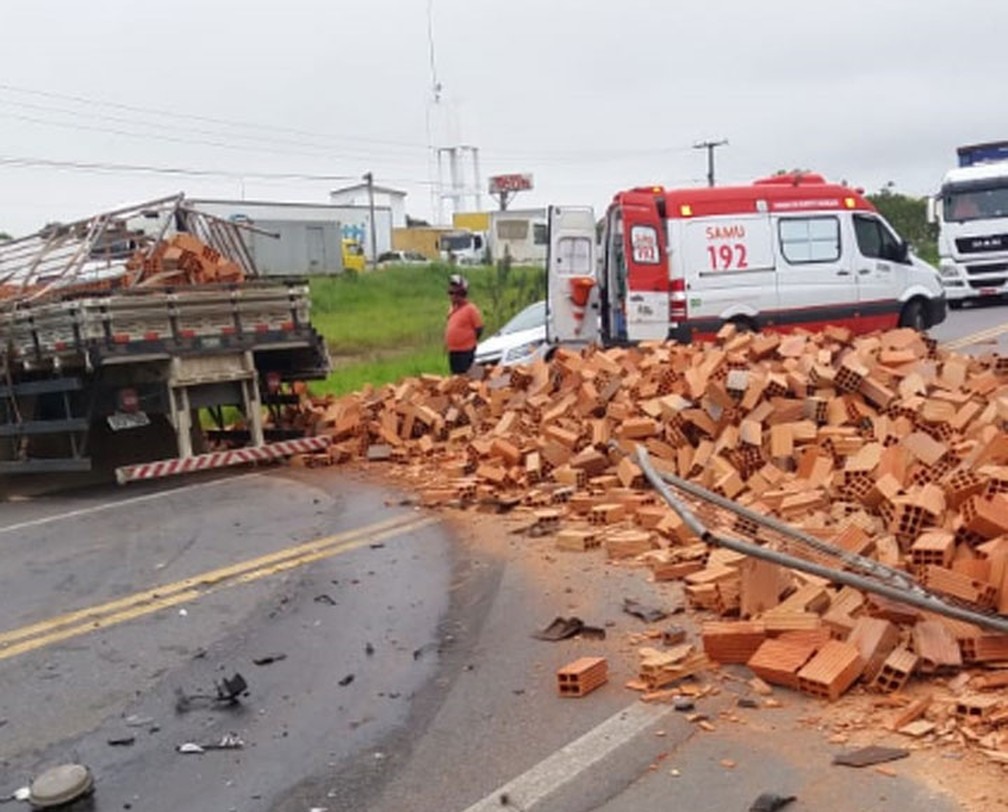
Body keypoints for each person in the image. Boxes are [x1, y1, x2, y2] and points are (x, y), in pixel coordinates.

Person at [444, 273, 483, 375]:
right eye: (450, 293)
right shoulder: (452, 309)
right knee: (456, 380)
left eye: (453, 293)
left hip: (466, 351)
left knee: (468, 378)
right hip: (453, 351)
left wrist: (469, 342)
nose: (451, 296)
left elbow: (479, 328)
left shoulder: (471, 309)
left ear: (461, 294)